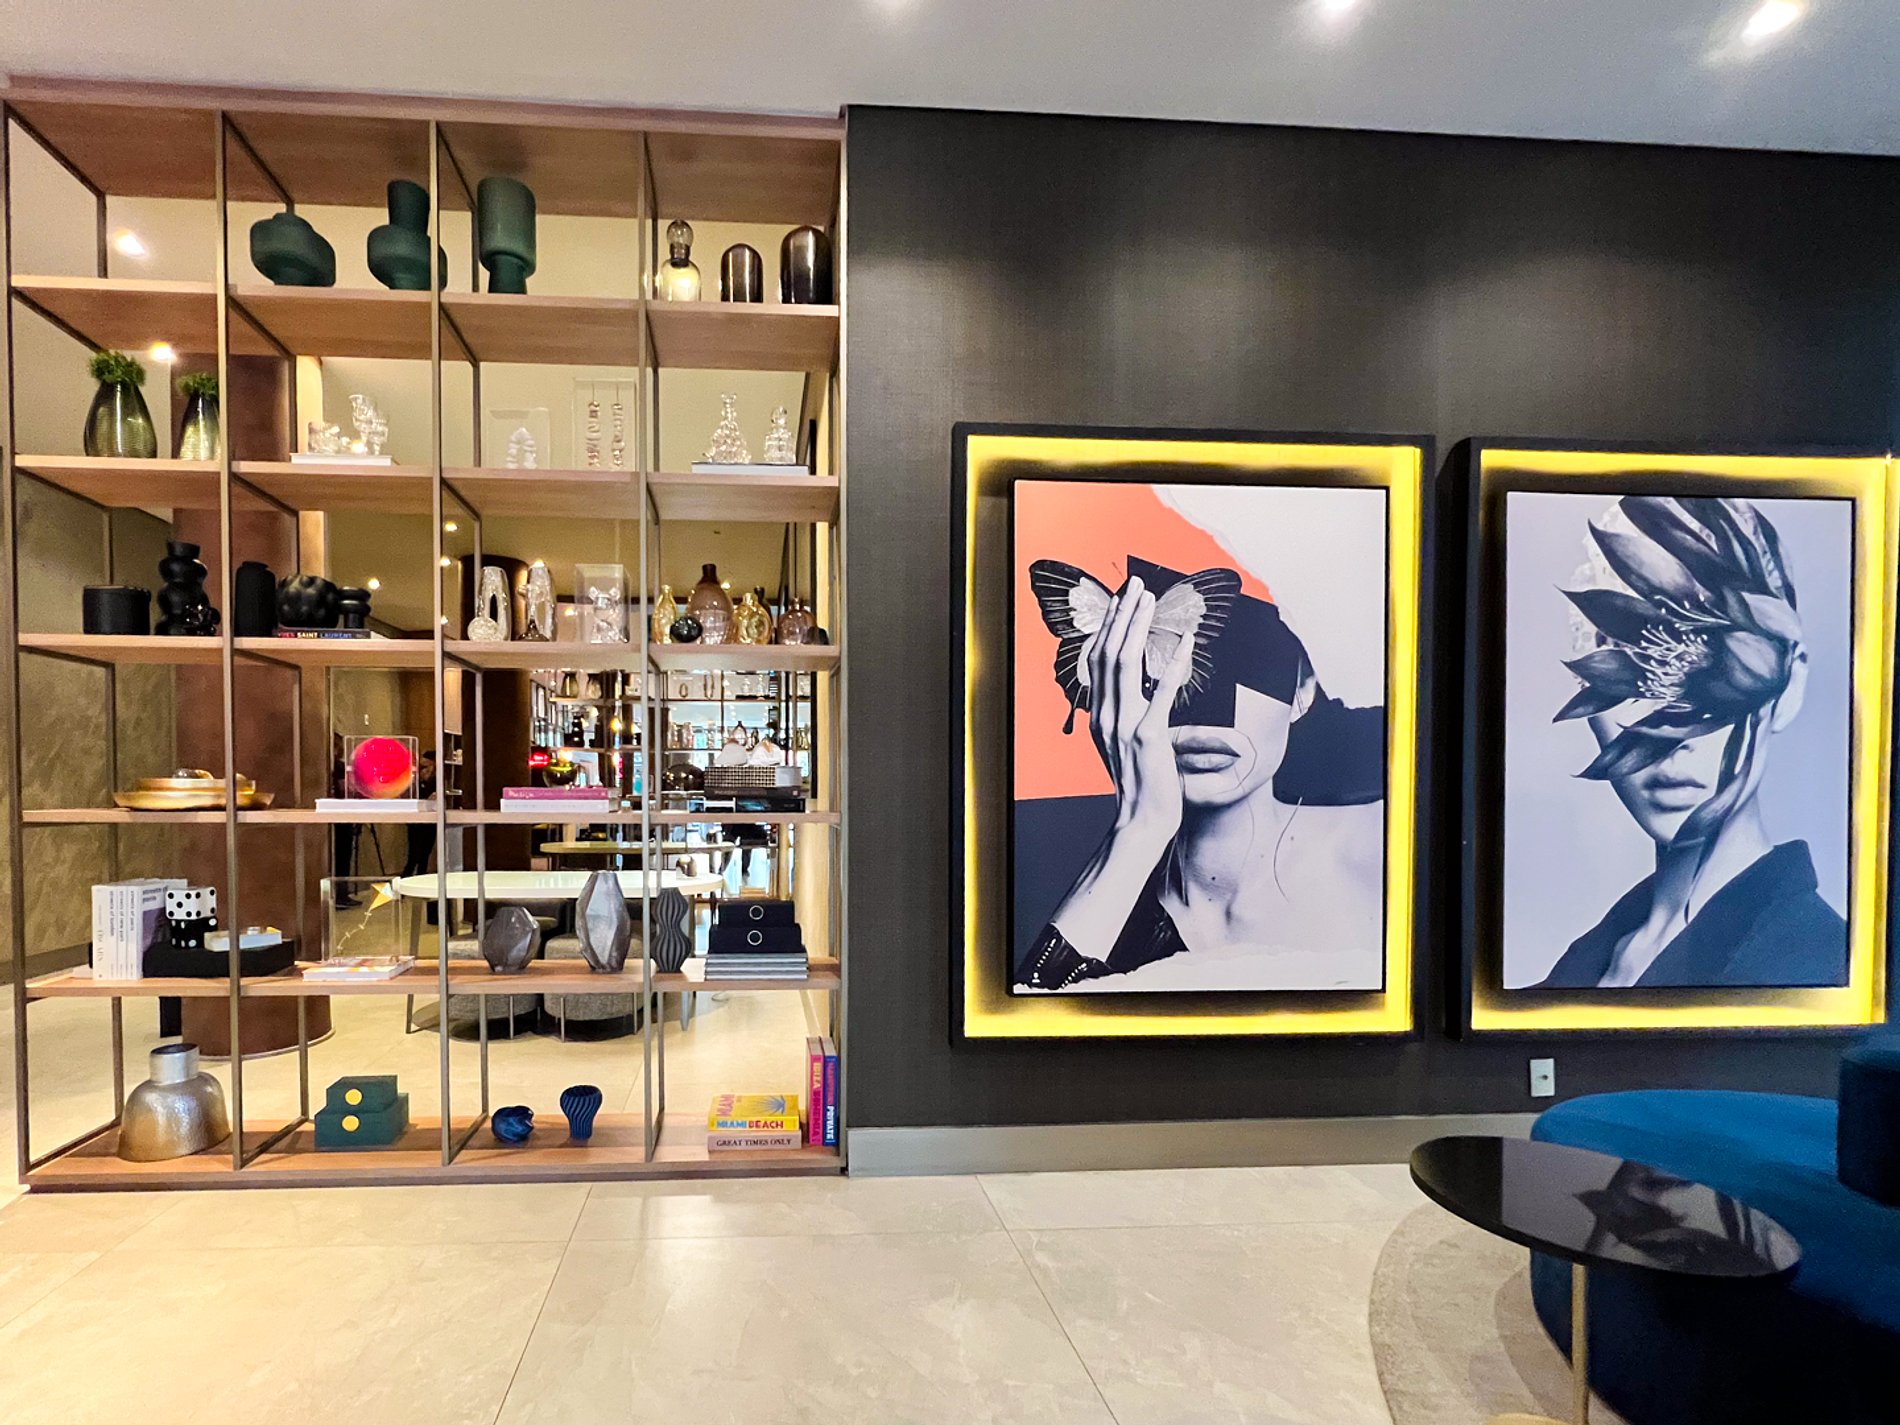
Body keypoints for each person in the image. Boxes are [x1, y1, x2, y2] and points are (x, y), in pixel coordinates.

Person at [1019, 558, 1385, 993]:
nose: (1205, 712)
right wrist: (1138, 831)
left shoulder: (1386, 844)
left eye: (1249, 659)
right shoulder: (1033, 862)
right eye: (1168, 665)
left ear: (1303, 688)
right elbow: (1028, 1016)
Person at [1536, 495, 1846, 989]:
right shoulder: (1586, 965)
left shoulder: (1825, 969)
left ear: (1788, 689)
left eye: (1715, 678)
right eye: (1630, 683)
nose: (1669, 735)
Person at [402, 751, 438, 880]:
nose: (425, 770)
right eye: (422, 767)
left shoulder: (436, 781)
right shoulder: (414, 783)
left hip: (430, 821)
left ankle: (421, 879)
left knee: (425, 855)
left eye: (428, 767)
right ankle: (405, 880)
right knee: (413, 856)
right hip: (416, 822)